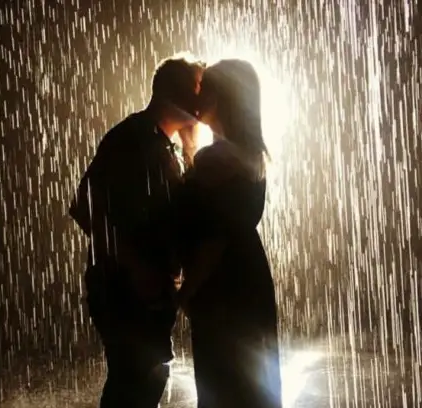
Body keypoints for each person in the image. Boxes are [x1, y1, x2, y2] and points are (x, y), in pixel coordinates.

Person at [69, 54, 205, 408]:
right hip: (122, 289)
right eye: (197, 90)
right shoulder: (131, 137)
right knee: (136, 382)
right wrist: (135, 266)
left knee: (146, 378)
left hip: (143, 289)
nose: (203, 101)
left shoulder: (164, 143)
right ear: (174, 93)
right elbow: (85, 206)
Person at [175, 59, 283, 408]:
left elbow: (213, 236)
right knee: (253, 383)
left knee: (221, 382)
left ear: (221, 98)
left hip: (223, 284)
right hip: (250, 276)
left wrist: (186, 291)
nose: (196, 97)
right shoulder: (252, 155)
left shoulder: (215, 158)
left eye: (204, 89)